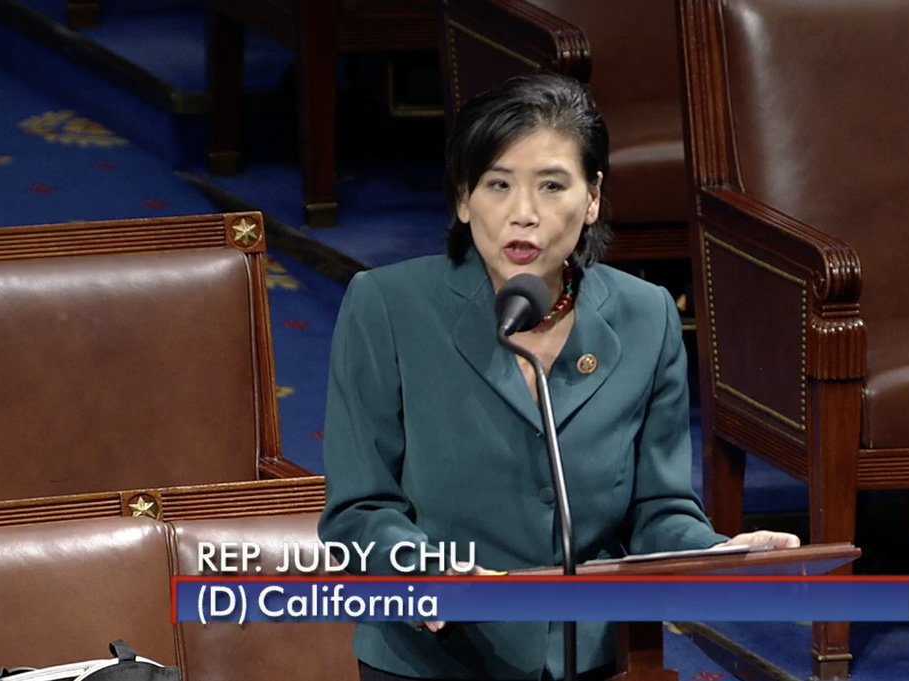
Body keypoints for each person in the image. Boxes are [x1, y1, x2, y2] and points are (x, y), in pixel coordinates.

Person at [319, 72, 799, 681]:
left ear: (592, 196)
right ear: (464, 198)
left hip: (588, 656)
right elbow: (358, 511)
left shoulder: (646, 316)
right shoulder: (386, 306)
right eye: (498, 185)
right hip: (437, 658)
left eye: (552, 185)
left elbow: (658, 508)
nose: (524, 214)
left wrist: (710, 553)